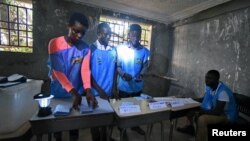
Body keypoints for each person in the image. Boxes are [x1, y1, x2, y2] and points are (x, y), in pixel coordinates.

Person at [48, 12, 97, 141]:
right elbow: (58, 71)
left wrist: (88, 90)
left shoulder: (85, 48)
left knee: (74, 127)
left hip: (77, 95)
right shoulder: (55, 43)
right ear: (68, 26)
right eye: (76, 31)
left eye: (83, 33)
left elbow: (85, 70)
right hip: (59, 93)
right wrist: (74, 92)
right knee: (57, 127)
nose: (79, 36)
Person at [177, 70, 238, 141]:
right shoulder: (209, 86)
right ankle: (190, 128)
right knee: (190, 108)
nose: (206, 80)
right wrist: (190, 100)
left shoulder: (223, 92)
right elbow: (204, 99)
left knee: (202, 119)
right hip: (217, 111)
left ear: (216, 80)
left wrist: (198, 112)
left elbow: (217, 112)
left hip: (226, 116)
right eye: (206, 77)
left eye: (210, 78)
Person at [116, 24, 150, 136]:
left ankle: (135, 125)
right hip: (124, 87)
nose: (135, 37)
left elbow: (145, 66)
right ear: (129, 34)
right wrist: (123, 74)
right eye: (133, 34)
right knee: (123, 110)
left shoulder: (145, 51)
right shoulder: (121, 49)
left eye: (138, 35)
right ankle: (122, 130)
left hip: (137, 86)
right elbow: (118, 66)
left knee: (137, 108)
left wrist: (141, 74)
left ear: (140, 35)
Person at [90, 22, 118, 141]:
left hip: (109, 93)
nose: (108, 37)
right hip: (96, 93)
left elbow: (115, 70)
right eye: (105, 34)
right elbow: (87, 73)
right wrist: (99, 90)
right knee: (95, 122)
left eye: (109, 35)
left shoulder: (113, 50)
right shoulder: (91, 49)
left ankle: (106, 137)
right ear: (98, 34)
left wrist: (114, 89)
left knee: (107, 120)